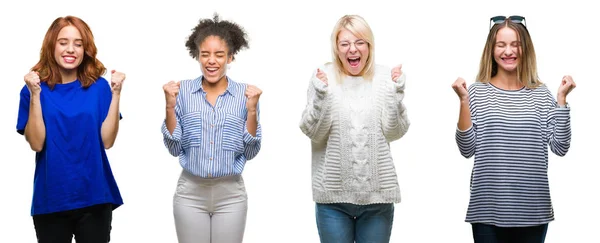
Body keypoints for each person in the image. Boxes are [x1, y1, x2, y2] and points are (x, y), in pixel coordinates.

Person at [452, 15, 576, 243]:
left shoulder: (541, 94)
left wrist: (561, 100)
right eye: (501, 45)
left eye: (515, 44)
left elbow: (560, 146)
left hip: (532, 211)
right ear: (492, 49)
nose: (508, 51)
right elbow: (467, 149)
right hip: (487, 210)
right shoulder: (477, 93)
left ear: (525, 49)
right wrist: (463, 102)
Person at [299, 14, 410, 243]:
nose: (353, 49)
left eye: (360, 42)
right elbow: (313, 132)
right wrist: (320, 95)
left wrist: (396, 95)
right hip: (333, 202)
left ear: (369, 46)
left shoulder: (384, 77)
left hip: (377, 199)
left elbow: (395, 132)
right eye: (345, 43)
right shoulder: (323, 76)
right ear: (336, 48)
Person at [16, 16, 125, 243]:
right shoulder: (32, 90)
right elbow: (36, 144)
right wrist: (35, 95)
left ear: (86, 49)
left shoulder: (99, 87)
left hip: (95, 194)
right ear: (51, 45)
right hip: (51, 198)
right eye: (63, 42)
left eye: (78, 43)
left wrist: (116, 94)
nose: (71, 49)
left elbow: (107, 141)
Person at [161, 13, 262, 243]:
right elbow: (174, 147)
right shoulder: (181, 91)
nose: (211, 61)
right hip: (190, 192)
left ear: (230, 57)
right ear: (197, 55)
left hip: (231, 194)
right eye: (205, 54)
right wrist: (169, 105)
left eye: (219, 55)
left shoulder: (246, 95)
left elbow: (251, 152)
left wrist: (253, 111)